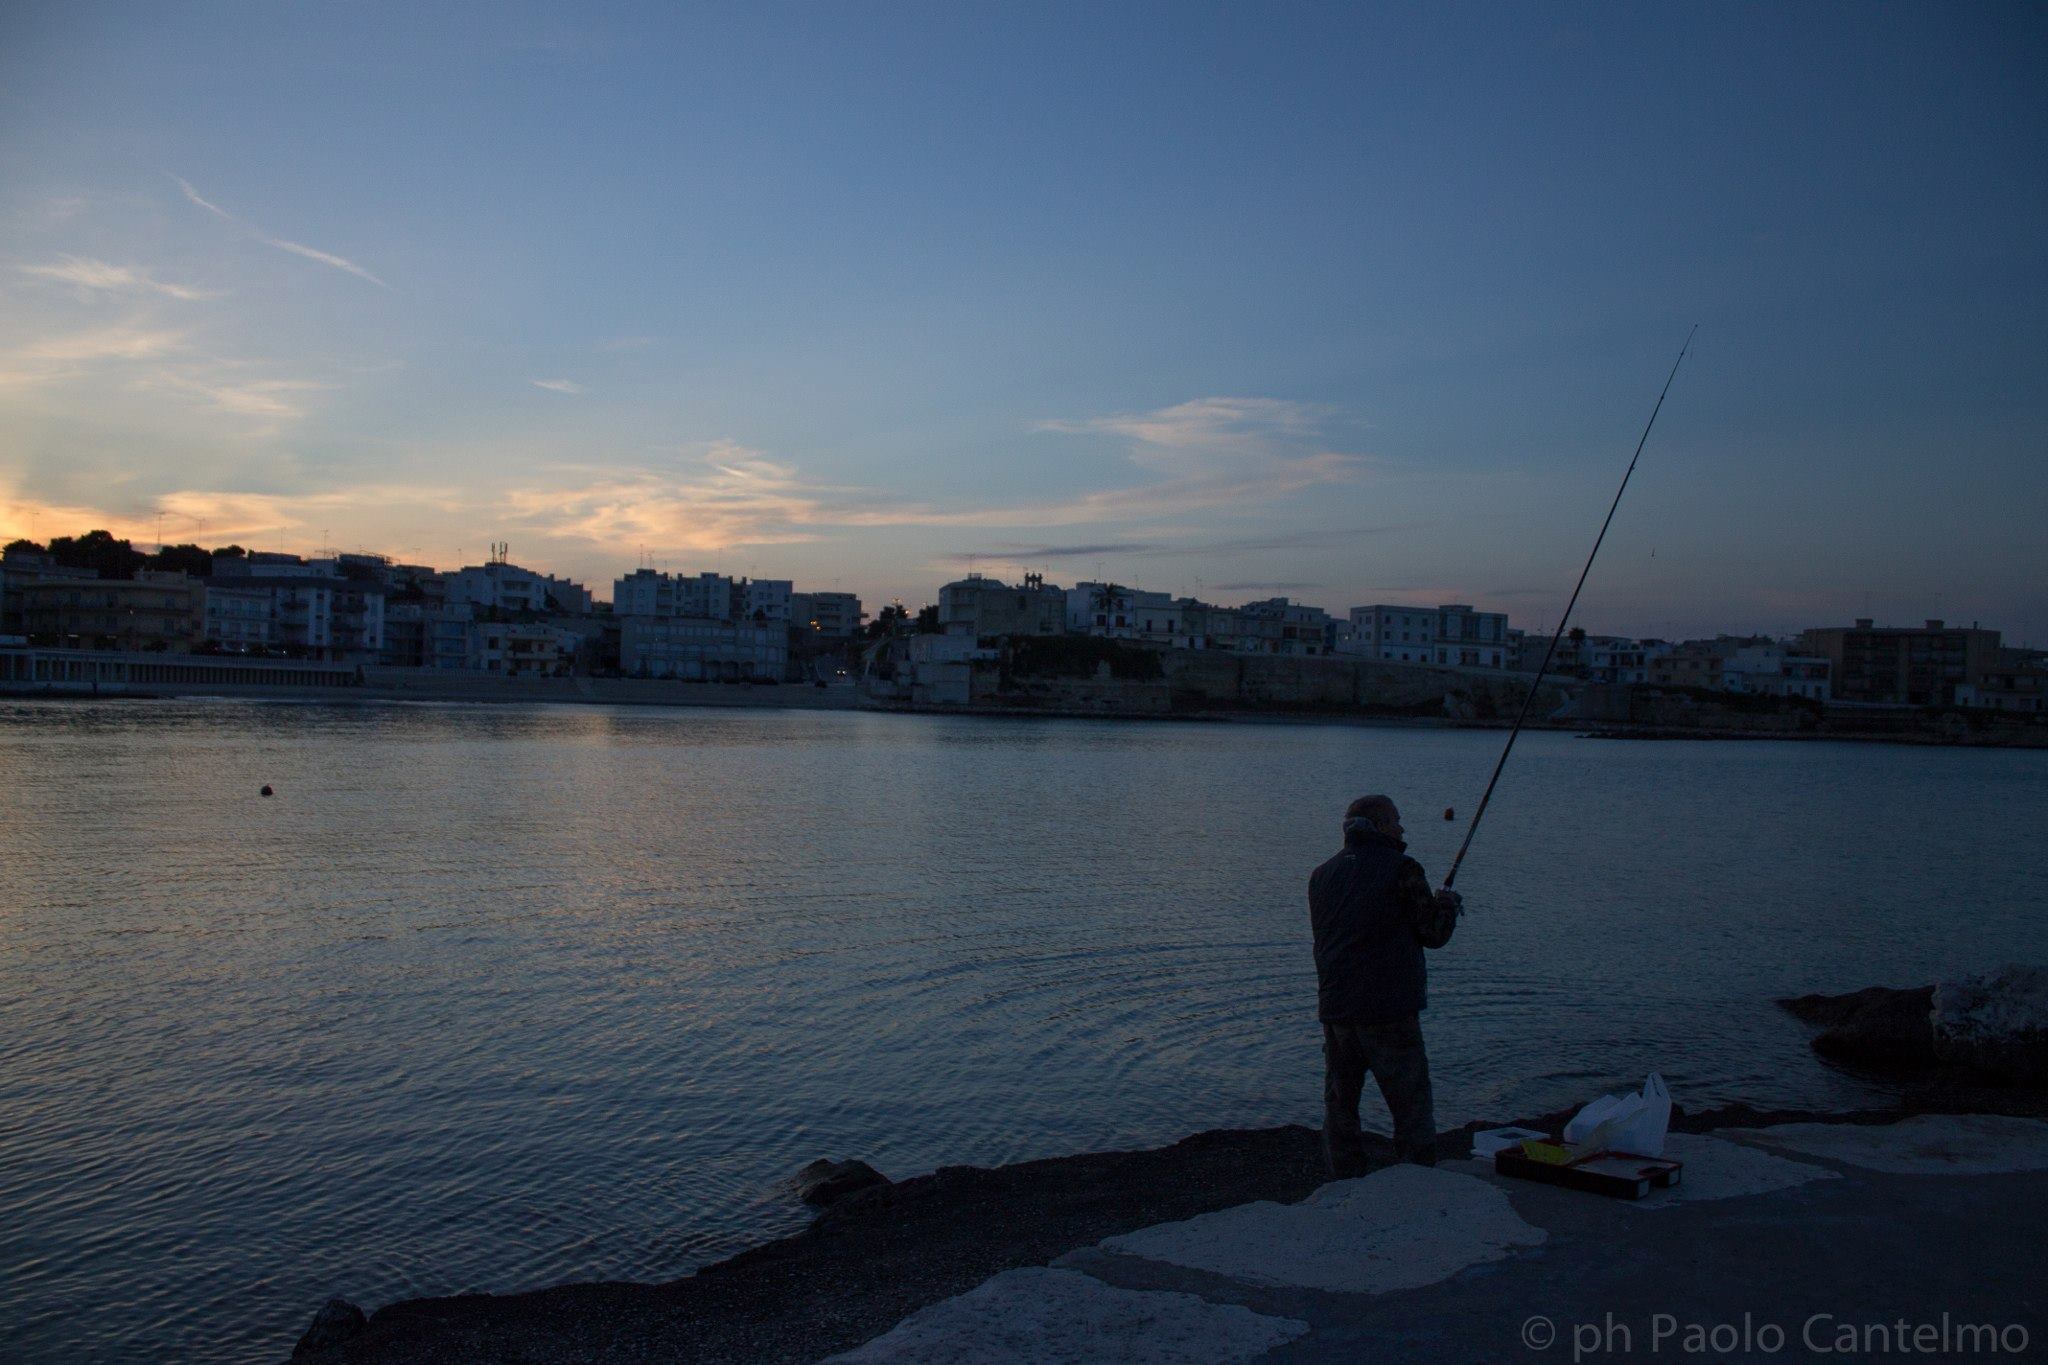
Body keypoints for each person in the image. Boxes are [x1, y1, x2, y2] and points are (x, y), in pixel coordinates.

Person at [1308, 794, 1462, 1173]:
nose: (1402, 828)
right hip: (1388, 1008)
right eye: (1395, 820)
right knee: (1410, 1102)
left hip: (1337, 1008)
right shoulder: (1403, 869)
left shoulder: (1321, 874)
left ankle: (1343, 1174)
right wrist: (1447, 905)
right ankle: (1417, 1174)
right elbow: (1433, 934)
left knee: (1341, 1103)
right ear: (1378, 826)